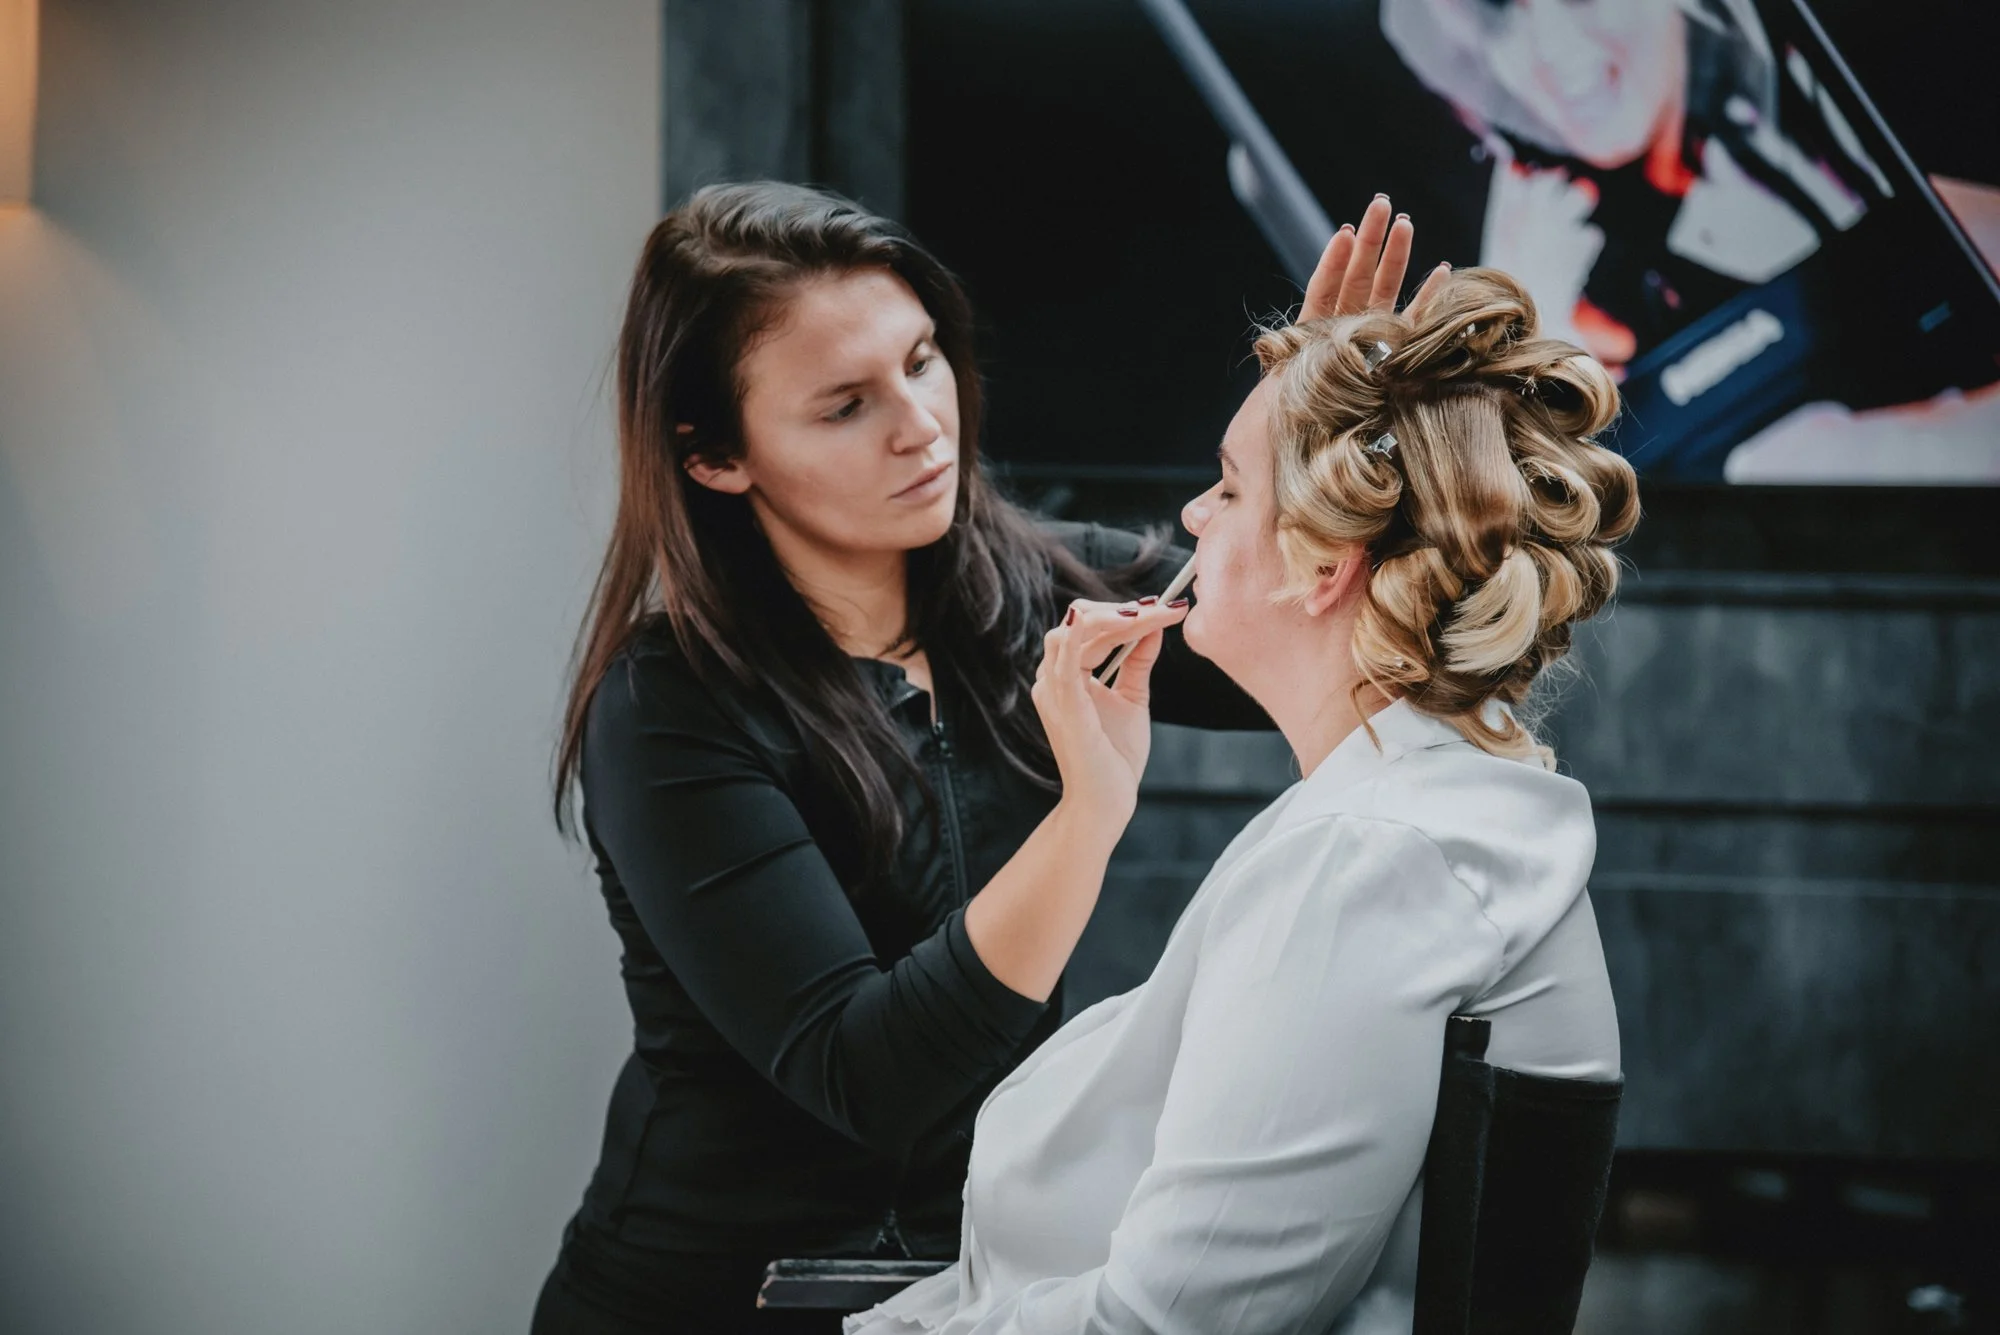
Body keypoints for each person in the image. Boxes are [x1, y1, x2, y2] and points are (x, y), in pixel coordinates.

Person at [532, 182, 1449, 1332]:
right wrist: (1084, 817)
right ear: (715, 455)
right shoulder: (666, 708)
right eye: (843, 405)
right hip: (714, 1302)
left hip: (979, 1299)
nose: (920, 422)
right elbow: (870, 1080)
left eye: (920, 360)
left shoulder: (1039, 594)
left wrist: (1317, 423)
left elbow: (1338, 624)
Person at [844, 266, 1639, 1334]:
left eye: (1224, 486)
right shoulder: (1419, 805)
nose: (1189, 515)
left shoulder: (1364, 859)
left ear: (1323, 569)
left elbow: (1169, 1324)